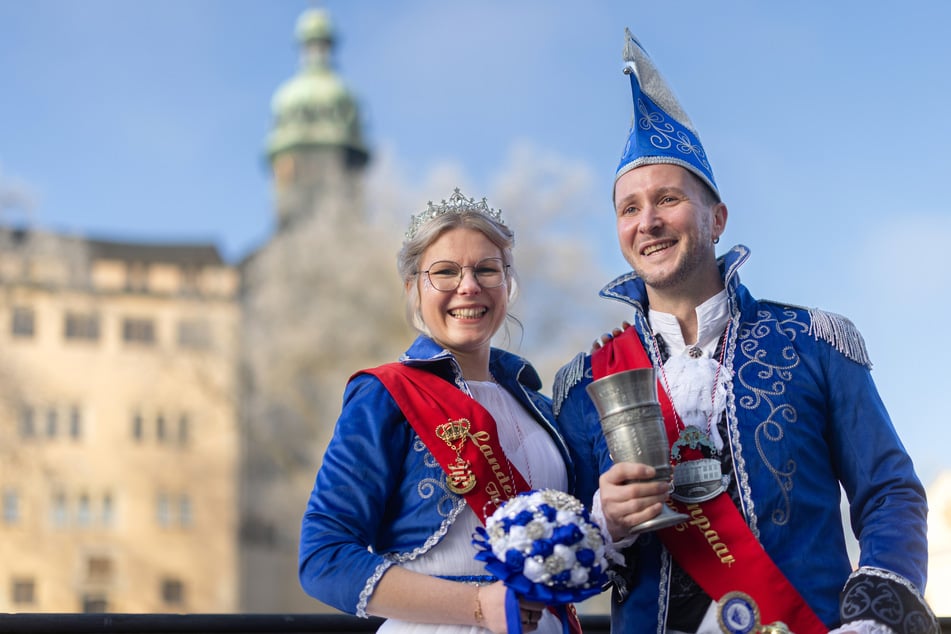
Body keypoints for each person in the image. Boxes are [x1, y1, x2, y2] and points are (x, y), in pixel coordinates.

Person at [552, 29, 938, 634]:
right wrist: (606, 522)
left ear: (717, 218)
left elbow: (890, 494)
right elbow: (561, 567)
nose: (647, 221)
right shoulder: (582, 386)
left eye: (668, 199)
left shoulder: (817, 343)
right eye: (628, 208)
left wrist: (873, 620)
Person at [299, 188, 576, 634]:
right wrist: (480, 604)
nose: (469, 286)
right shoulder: (385, 395)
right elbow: (323, 557)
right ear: (413, 288)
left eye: (487, 269)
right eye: (445, 272)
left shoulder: (543, 410)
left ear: (508, 284)